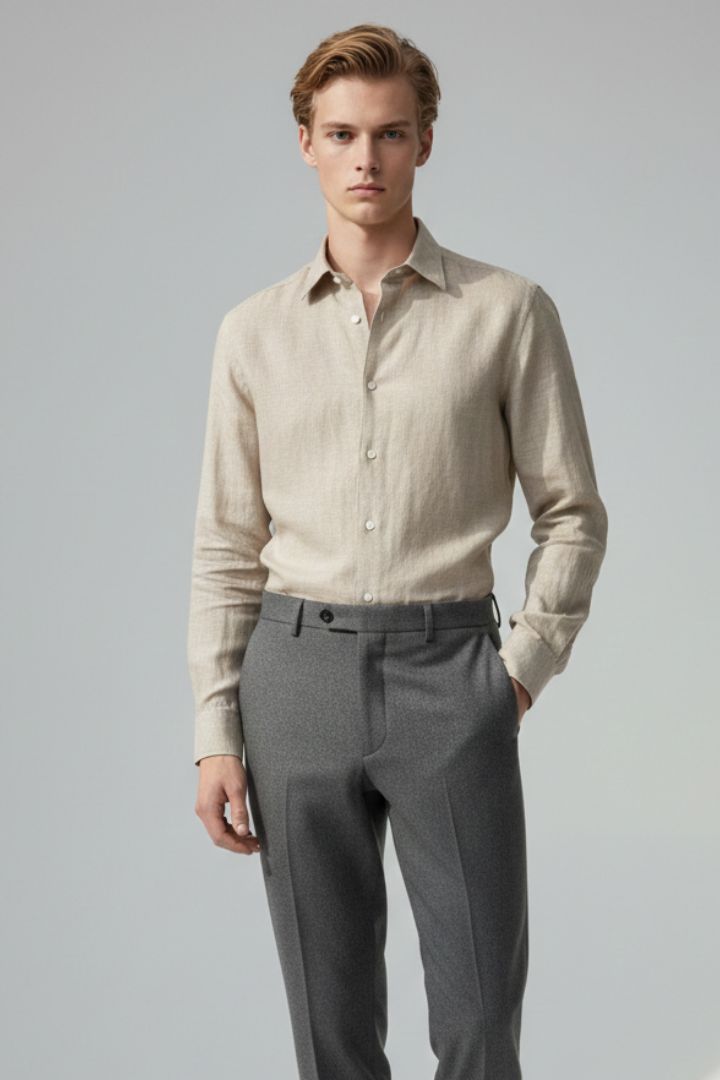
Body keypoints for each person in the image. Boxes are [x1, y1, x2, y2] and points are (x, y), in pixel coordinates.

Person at [186, 21, 608, 1080]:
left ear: (425, 141)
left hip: (450, 672)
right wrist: (215, 729)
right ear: (306, 143)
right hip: (294, 678)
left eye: (389, 133)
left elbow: (572, 512)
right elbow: (228, 544)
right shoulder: (253, 333)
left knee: (479, 1020)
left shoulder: (507, 313)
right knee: (330, 1031)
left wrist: (516, 674)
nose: (365, 158)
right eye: (341, 134)